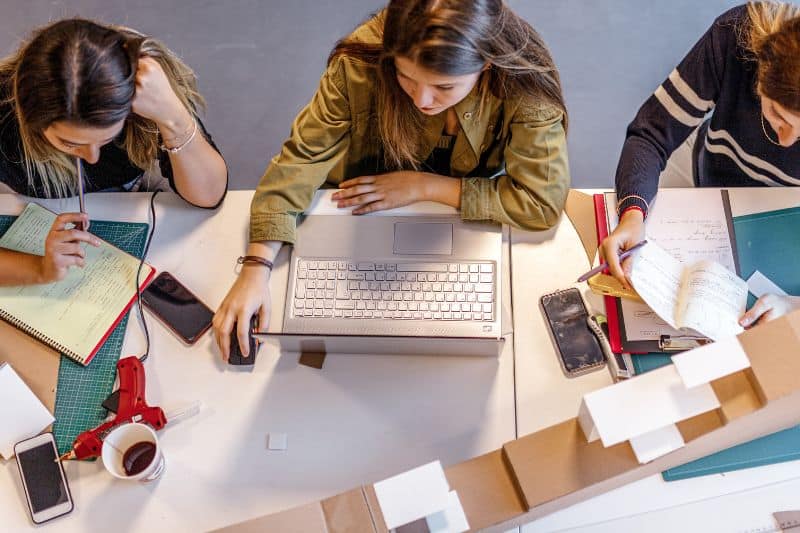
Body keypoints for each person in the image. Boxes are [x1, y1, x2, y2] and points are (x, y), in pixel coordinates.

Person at [213, 0, 571, 358]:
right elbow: (302, 160)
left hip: (454, 215)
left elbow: (541, 202)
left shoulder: (522, 79)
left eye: (445, 87)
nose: (422, 100)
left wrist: (424, 186)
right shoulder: (358, 61)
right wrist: (257, 267)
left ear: (487, 62)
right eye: (406, 78)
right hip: (362, 204)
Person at [599, 2, 800, 327]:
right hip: (714, 177)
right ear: (761, 72)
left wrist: (794, 308)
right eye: (777, 114)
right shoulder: (734, 37)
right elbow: (650, 134)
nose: (787, 140)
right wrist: (633, 213)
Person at [0, 18, 228, 286]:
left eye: (106, 138)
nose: (92, 157)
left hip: (135, 202)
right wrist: (39, 269)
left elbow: (209, 195)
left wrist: (173, 117)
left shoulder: (140, 92)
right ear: (29, 118)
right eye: (70, 143)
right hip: (40, 211)